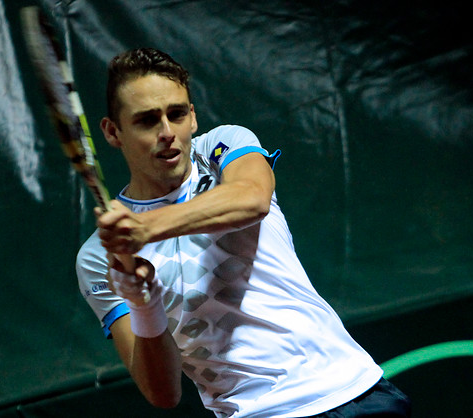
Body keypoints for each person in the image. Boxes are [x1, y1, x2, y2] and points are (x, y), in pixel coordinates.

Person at [76, 47, 411, 417]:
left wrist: (146, 227)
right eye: (146, 121)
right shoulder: (98, 258)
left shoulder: (222, 148)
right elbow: (163, 393)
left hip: (354, 392)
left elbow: (252, 198)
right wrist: (144, 305)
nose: (167, 132)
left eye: (177, 113)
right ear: (112, 131)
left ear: (193, 117)